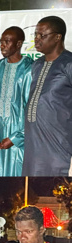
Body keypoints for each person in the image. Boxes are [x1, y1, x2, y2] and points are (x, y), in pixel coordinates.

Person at [23, 16, 72, 176]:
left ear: (58, 37)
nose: (37, 40)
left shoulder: (68, 63)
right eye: (35, 35)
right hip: (33, 143)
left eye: (42, 35)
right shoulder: (37, 65)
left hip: (59, 144)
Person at [0, 27, 32, 177]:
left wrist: (15, 138)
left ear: (19, 44)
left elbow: (34, 110)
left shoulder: (30, 69)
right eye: (1, 42)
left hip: (20, 142)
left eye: (7, 41)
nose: (2, 45)